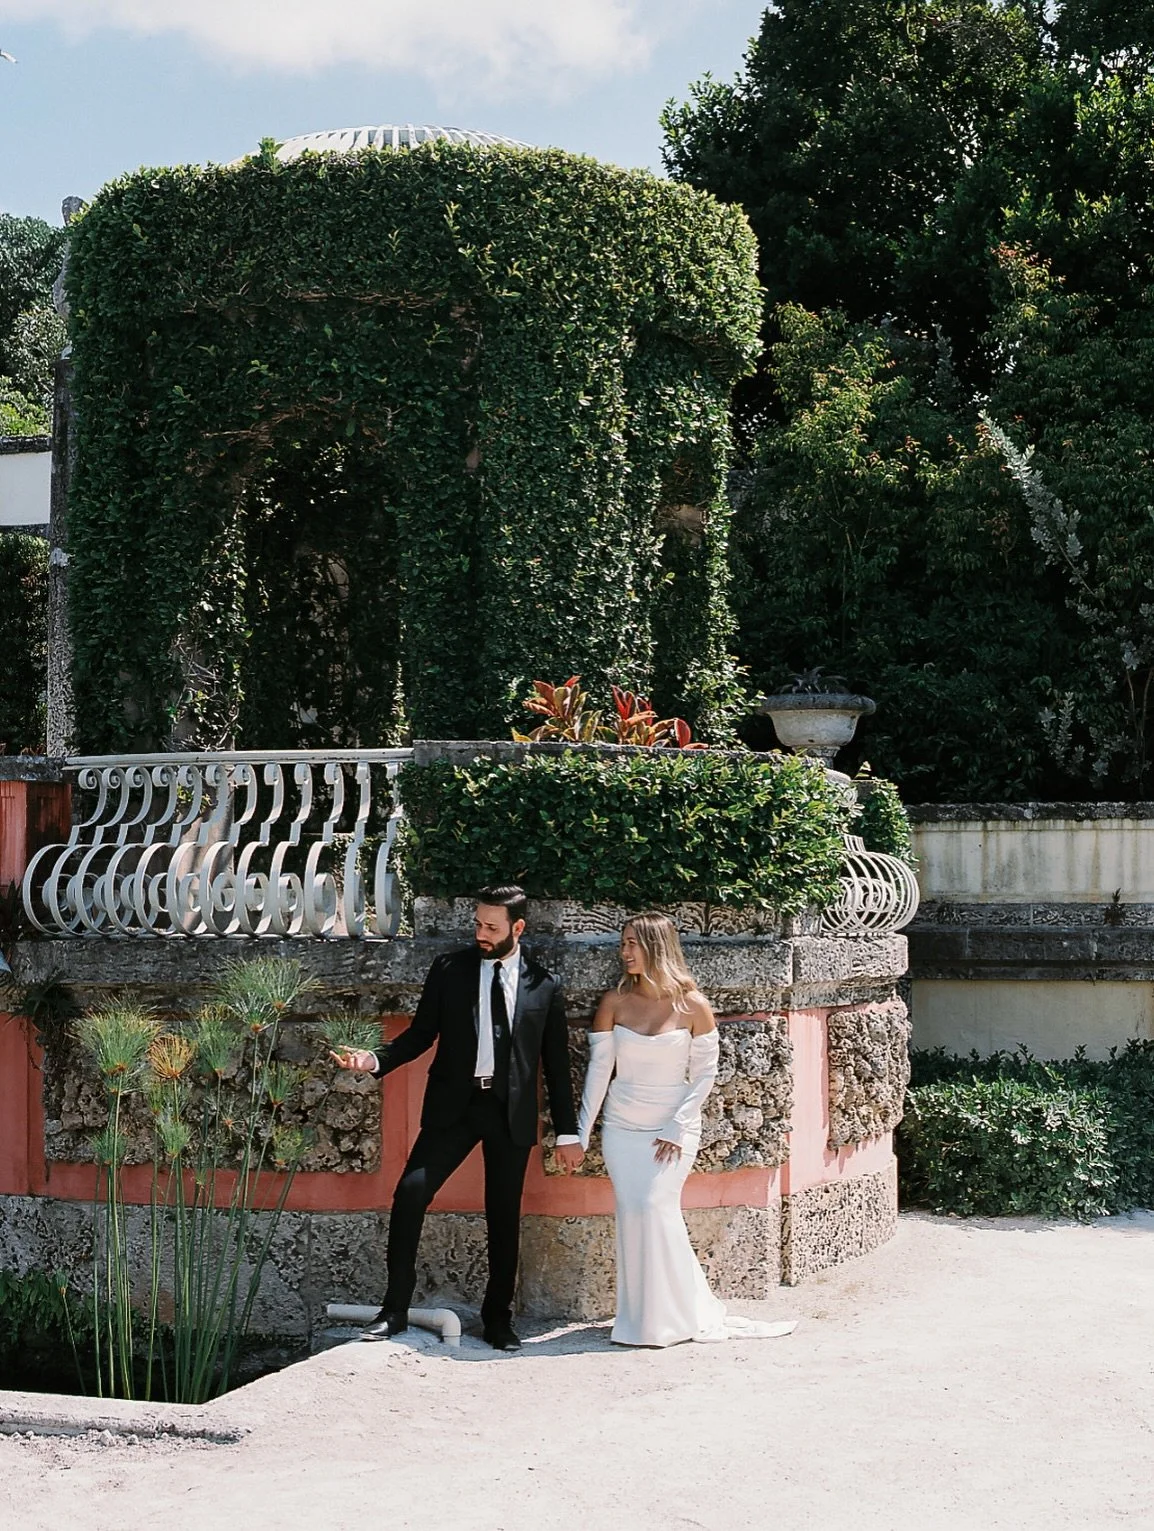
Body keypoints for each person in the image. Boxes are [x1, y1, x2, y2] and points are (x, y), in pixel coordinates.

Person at [332, 885, 582, 1351]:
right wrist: (374, 1061)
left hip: (509, 1112)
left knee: (503, 1215)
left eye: (492, 927)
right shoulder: (450, 969)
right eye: (477, 924)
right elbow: (422, 1034)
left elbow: (556, 1066)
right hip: (456, 1105)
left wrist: (568, 1131)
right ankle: (394, 1310)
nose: (481, 934)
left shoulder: (543, 986)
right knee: (410, 1193)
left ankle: (498, 1319)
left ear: (518, 928)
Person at [577, 912, 796, 1347]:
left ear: (657, 947)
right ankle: (641, 1319)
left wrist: (678, 1126)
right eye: (623, 943)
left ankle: (675, 1317)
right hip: (623, 1128)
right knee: (634, 1213)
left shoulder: (692, 1004)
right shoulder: (614, 1003)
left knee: (654, 1207)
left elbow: (704, 1075)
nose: (625, 953)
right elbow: (599, 1073)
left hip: (673, 1128)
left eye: (633, 944)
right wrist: (580, 1134)